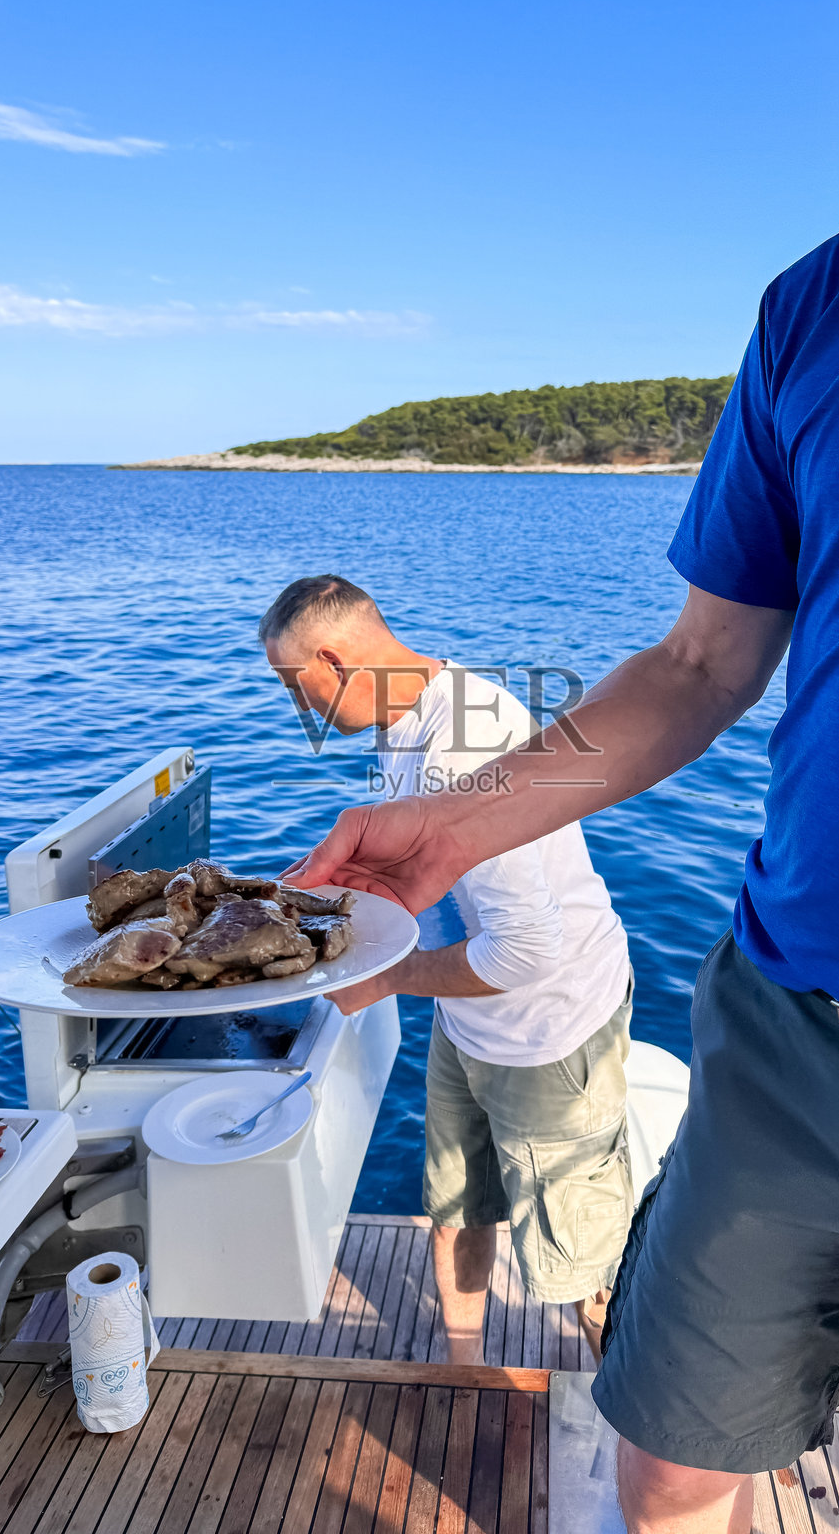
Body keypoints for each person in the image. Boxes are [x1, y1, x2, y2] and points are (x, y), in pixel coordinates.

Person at [282, 0, 839, 1526]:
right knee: (671, 1458)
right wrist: (457, 824)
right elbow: (700, 667)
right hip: (785, 1039)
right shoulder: (823, 302)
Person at [258, 575, 634, 1364]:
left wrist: (389, 977)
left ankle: (625, 1406)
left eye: (297, 687)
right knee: (457, 1206)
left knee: (580, 1265)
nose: (301, 709)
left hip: (550, 1028)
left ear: (332, 656)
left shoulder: (467, 742)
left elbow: (529, 951)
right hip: (468, 1011)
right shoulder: (414, 712)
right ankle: (463, 1371)